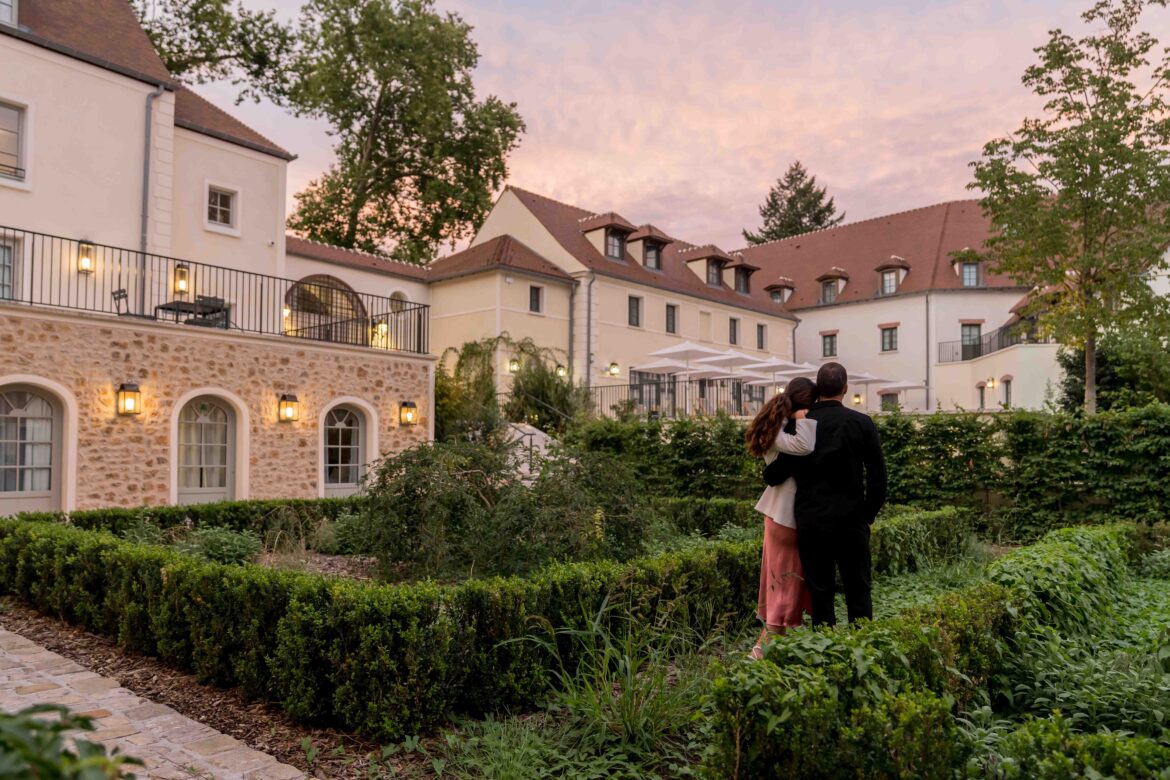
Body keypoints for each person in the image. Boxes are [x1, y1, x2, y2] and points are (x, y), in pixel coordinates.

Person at [766, 362, 886, 626]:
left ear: (818, 389)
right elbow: (878, 477)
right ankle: (862, 643)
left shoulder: (802, 424)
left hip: (812, 520)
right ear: (846, 388)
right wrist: (867, 515)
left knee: (820, 592)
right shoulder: (862, 423)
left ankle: (825, 646)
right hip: (852, 520)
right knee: (858, 589)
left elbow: (776, 473)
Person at [744, 377, 819, 659]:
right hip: (786, 517)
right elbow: (806, 446)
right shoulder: (786, 429)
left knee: (780, 583)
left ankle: (776, 654)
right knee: (785, 586)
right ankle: (758, 654)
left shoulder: (776, 425)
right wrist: (803, 418)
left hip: (778, 515)